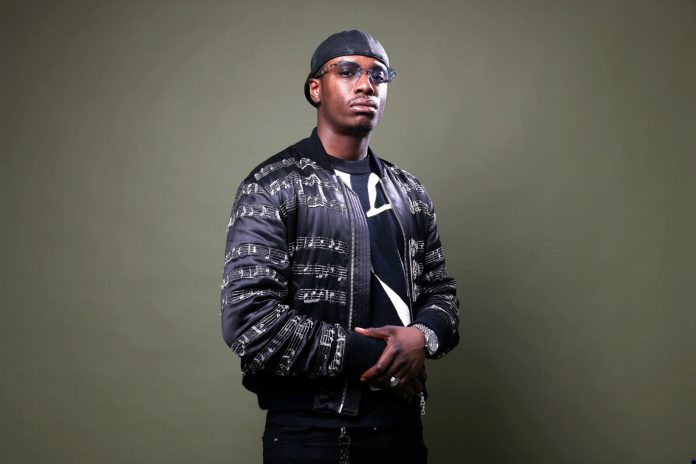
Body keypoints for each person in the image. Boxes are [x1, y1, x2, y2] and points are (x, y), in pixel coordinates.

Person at [220, 29, 459, 464]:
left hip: (401, 429)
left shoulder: (410, 192)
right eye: (348, 72)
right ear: (316, 89)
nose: (366, 84)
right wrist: (389, 356)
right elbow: (251, 322)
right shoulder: (273, 185)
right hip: (312, 434)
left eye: (378, 75)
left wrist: (421, 337)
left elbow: (442, 293)